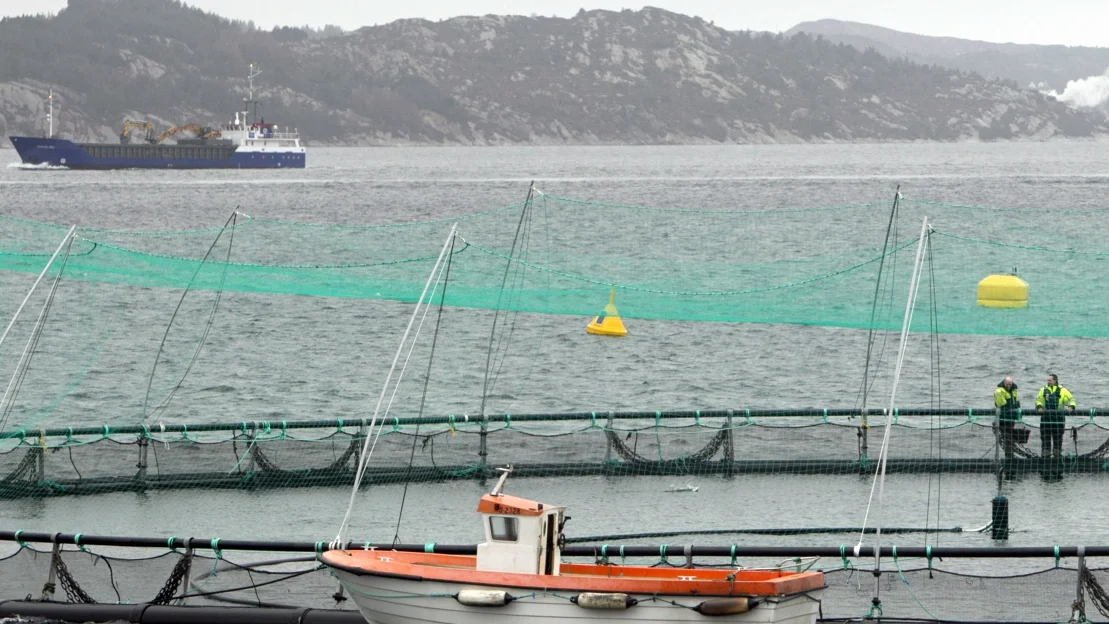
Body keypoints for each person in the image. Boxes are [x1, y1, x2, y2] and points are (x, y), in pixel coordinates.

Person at [1036, 374, 1075, 460]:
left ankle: (1057, 456)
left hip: (1058, 418)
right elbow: (1038, 400)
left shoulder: (1063, 390)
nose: (1048, 382)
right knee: (1045, 437)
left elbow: (1071, 399)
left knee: (1058, 438)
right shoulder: (1043, 390)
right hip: (1046, 418)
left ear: (1055, 380)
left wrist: (1071, 406)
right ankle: (1045, 456)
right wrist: (1039, 407)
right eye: (1048, 380)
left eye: (1050, 380)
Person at [994, 376, 1020, 463]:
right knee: (1007, 438)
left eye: (1010, 384)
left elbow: (1017, 402)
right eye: (1007, 384)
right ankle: (1009, 457)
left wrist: (1018, 414)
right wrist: (1013, 410)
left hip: (1011, 418)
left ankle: (1010, 455)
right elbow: (1002, 405)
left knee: (1010, 437)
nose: (1009, 386)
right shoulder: (999, 391)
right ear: (1004, 383)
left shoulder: (1014, 390)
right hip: (1003, 419)